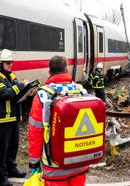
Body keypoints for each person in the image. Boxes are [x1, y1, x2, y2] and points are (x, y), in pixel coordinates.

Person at [28, 55, 88, 186]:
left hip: (54, 166)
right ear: (66, 69)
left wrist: (34, 162)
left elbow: (35, 132)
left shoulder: (42, 95)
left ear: (50, 72)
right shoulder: (81, 91)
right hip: (79, 161)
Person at [0, 49, 27, 186]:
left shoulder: (10, 75)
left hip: (13, 118)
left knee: (12, 147)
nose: (11, 65)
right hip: (1, 120)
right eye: (8, 63)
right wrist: (22, 85)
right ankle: (1, 177)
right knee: (2, 150)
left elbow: (16, 94)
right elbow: (5, 94)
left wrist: (28, 91)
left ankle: (11, 169)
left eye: (11, 63)